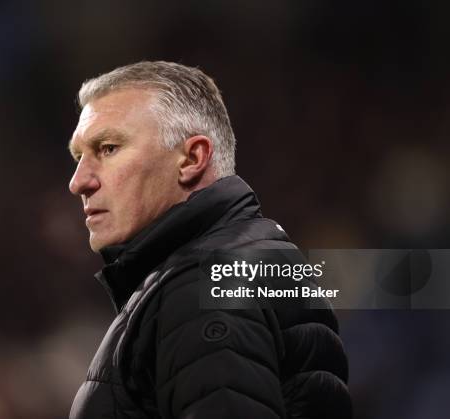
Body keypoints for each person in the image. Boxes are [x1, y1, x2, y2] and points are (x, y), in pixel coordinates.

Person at [67, 61, 351, 419]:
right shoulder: (239, 260)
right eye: (78, 157)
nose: (78, 182)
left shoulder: (204, 284)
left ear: (192, 158)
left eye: (107, 148)